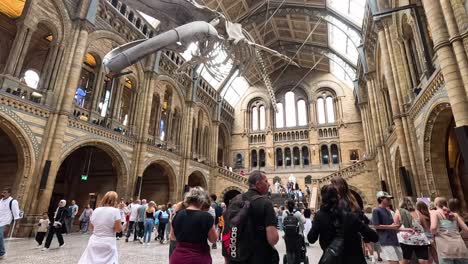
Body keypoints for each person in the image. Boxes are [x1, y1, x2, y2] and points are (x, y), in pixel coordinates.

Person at [308, 185, 379, 263]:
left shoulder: (319, 216)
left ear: (323, 198)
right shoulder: (350, 216)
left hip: (332, 259)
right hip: (354, 260)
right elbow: (374, 237)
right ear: (338, 197)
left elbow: (311, 239)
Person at [231, 170, 279, 264]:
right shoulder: (266, 203)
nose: (269, 184)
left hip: (237, 258)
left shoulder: (234, 200)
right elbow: (272, 239)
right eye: (266, 181)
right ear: (258, 184)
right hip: (260, 258)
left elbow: (227, 231)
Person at [170, 187, 218, 264]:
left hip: (178, 258)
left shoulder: (177, 214)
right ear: (202, 200)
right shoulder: (206, 217)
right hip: (199, 258)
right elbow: (213, 239)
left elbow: (173, 237)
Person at [78, 191, 122, 264]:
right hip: (108, 242)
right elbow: (118, 230)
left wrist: (98, 233)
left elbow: (91, 227)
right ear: (114, 200)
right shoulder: (116, 211)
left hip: (94, 240)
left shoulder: (96, 210)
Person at [372, 191, 409, 264]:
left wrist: (406, 229)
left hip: (394, 239)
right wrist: (390, 226)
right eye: (387, 199)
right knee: (394, 262)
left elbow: (393, 226)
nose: (389, 200)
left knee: (399, 262)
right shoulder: (376, 210)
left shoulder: (388, 211)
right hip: (386, 240)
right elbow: (376, 226)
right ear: (381, 199)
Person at [430, 197, 468, 264]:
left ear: (436, 204)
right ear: (446, 203)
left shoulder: (435, 213)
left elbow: (433, 228)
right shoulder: (455, 215)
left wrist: (434, 234)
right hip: (459, 247)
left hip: (445, 248)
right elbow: (466, 229)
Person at [394, 197, 430, 264]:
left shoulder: (398, 212)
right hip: (420, 239)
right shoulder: (418, 212)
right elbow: (425, 226)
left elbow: (396, 226)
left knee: (405, 260)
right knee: (423, 260)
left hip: (405, 239)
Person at [0, 187, 21, 259]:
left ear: (9, 193)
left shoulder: (13, 201)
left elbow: (16, 214)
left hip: (5, 222)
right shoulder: (1, 201)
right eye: (2, 192)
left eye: (5, 192)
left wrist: (17, 224)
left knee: (0, 236)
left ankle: (2, 253)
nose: (3, 194)